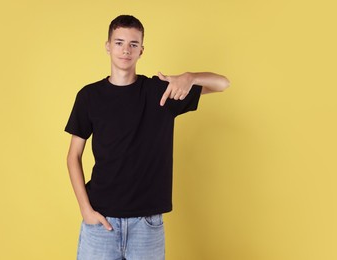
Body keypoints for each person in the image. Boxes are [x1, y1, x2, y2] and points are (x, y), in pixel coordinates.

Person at [65, 14, 230, 260]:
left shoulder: (160, 93)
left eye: (133, 44)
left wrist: (190, 77)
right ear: (108, 46)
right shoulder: (89, 96)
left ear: (141, 50)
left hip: (146, 226)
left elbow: (223, 84)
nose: (125, 50)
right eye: (119, 42)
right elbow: (73, 156)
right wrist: (85, 210)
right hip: (101, 221)